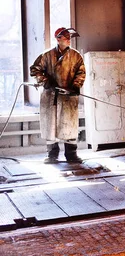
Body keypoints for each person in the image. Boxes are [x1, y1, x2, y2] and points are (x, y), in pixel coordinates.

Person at [30, 27, 86, 164]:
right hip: (50, 97)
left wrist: (74, 87)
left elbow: (81, 73)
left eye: (69, 37)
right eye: (66, 37)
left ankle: (71, 155)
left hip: (69, 97)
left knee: (70, 126)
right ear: (58, 39)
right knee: (51, 126)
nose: (69, 40)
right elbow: (34, 70)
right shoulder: (46, 55)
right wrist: (46, 81)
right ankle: (52, 155)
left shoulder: (76, 55)